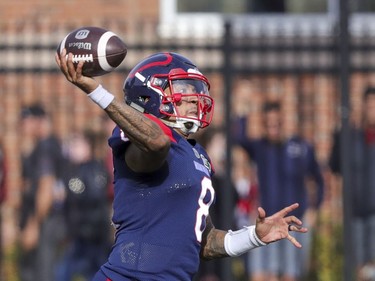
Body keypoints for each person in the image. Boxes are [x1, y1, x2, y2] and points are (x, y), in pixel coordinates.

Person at [56, 49, 308, 281]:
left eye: (194, 89)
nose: (193, 99)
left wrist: (254, 236)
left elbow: (205, 243)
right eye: (183, 89)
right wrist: (97, 91)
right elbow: (156, 141)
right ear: (149, 94)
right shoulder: (143, 142)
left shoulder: (197, 154)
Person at [235, 101, 324, 281]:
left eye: (276, 124)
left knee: (290, 273)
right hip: (268, 220)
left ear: (283, 122)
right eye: (268, 125)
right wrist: (243, 111)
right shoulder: (260, 147)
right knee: (264, 273)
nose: (273, 129)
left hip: (295, 220)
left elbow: (319, 179)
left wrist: (315, 208)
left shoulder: (300, 147)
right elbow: (239, 138)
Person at [329, 86, 375, 280]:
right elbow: (335, 166)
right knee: (357, 266)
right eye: (370, 104)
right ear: (363, 106)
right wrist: (339, 133)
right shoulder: (352, 137)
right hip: (355, 211)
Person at [18, 104, 67, 281]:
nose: (22, 125)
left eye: (25, 120)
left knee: (42, 274)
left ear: (39, 121)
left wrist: (34, 226)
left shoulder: (45, 147)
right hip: (46, 221)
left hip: (46, 221)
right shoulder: (45, 145)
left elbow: (46, 187)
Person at [56, 129, 112, 281]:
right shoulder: (70, 170)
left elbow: (94, 196)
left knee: (95, 273)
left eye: (77, 145)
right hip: (77, 233)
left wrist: (70, 192)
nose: (72, 149)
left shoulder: (96, 169)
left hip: (94, 235)